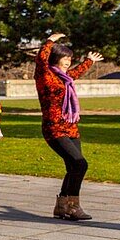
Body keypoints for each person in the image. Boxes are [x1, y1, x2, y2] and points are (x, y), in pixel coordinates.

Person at [35, 33, 103, 221]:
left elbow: (76, 72)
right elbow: (41, 59)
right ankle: (73, 206)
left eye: (70, 58)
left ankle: (62, 207)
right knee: (80, 163)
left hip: (71, 128)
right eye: (65, 57)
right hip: (54, 128)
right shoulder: (44, 75)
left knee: (73, 167)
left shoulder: (65, 78)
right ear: (55, 57)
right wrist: (50, 40)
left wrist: (89, 61)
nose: (68, 61)